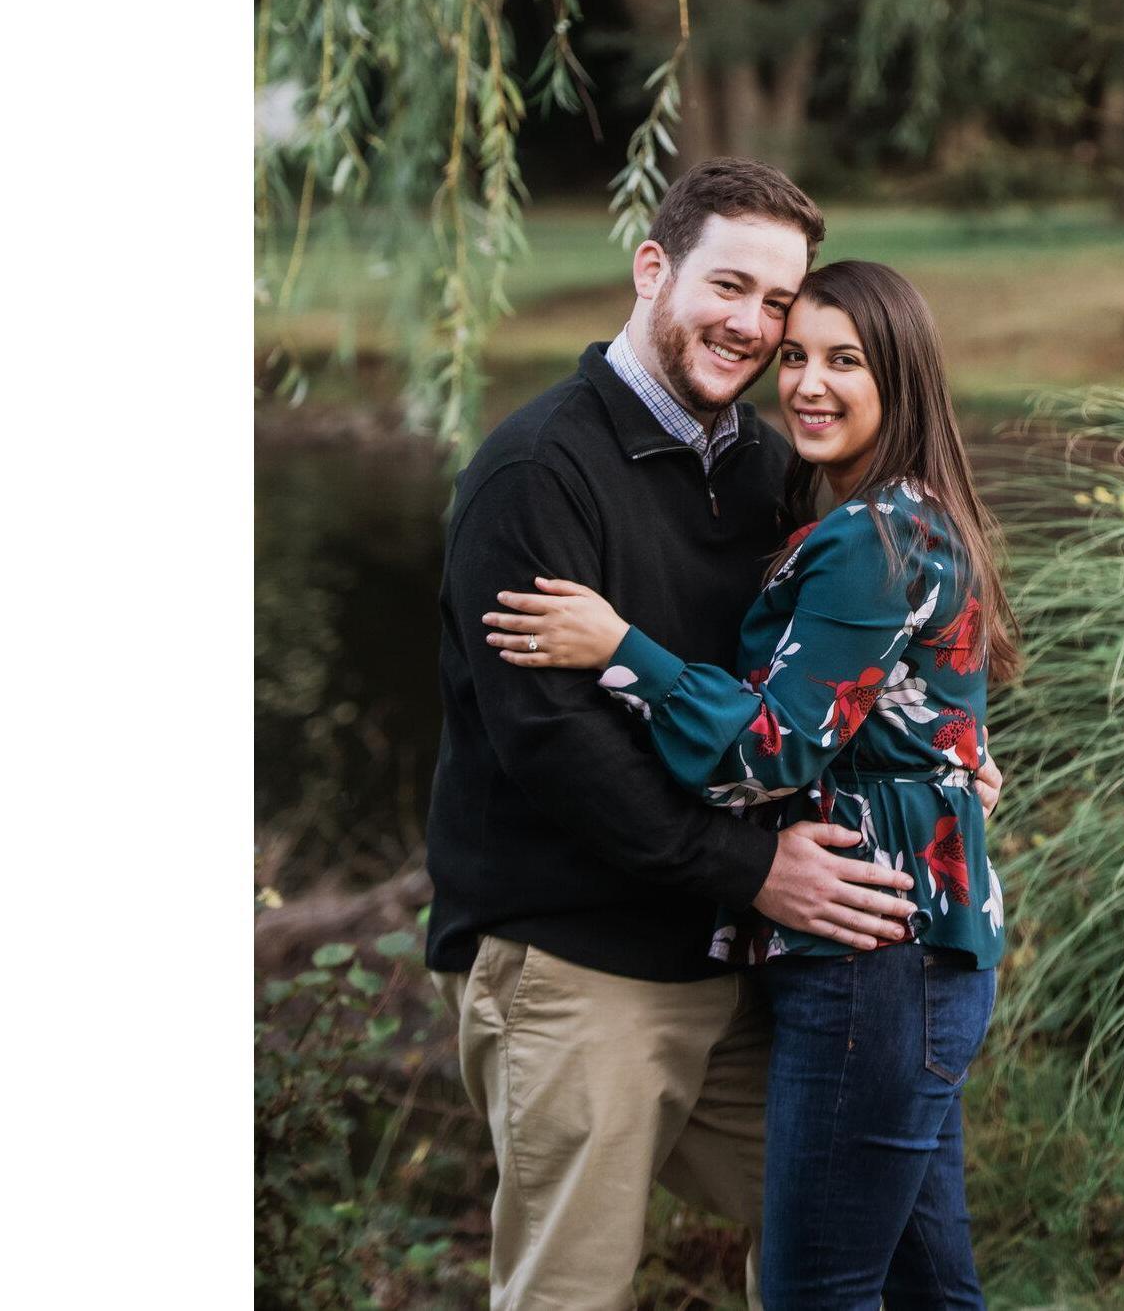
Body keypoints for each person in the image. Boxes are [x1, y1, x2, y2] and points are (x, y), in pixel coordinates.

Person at [424, 161, 999, 1311]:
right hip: (582, 961)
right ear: (653, 270)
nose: (752, 326)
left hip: (739, 956)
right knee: (569, 1291)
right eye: (728, 286)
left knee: (851, 1248)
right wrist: (753, 868)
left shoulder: (777, 469)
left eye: (779, 306)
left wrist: (940, 754)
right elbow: (552, 748)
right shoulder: (539, 474)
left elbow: (840, 674)